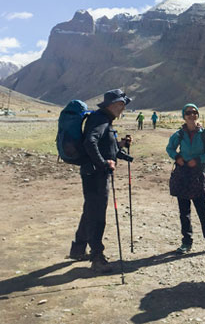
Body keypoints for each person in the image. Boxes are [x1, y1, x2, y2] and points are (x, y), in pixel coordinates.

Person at [69, 89, 133, 273]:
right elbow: (90, 142)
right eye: (119, 104)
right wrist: (104, 163)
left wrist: (122, 149)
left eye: (123, 104)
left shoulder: (104, 120)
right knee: (97, 216)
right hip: (96, 175)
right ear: (110, 105)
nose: (122, 107)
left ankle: (78, 249)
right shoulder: (101, 120)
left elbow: (107, 147)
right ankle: (97, 257)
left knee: (90, 210)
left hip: (93, 172)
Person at [166, 104, 205, 255]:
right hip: (182, 174)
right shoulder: (179, 134)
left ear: (198, 115)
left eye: (194, 112)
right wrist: (177, 157)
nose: (191, 115)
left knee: (203, 210)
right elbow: (170, 148)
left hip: (198, 174)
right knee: (184, 211)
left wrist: (199, 159)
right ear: (184, 116)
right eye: (188, 113)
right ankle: (186, 242)